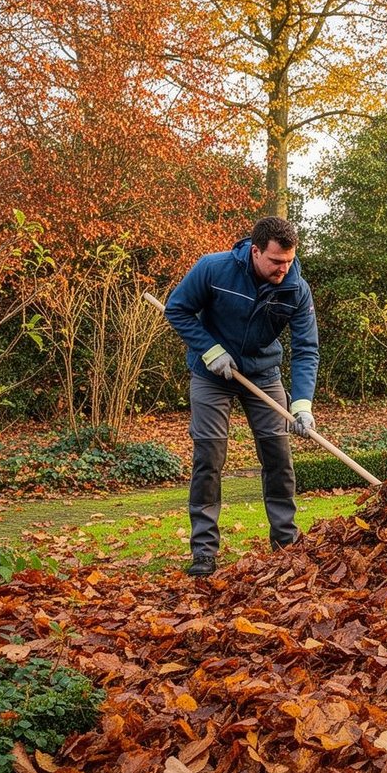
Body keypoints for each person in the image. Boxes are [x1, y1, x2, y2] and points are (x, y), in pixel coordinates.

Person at [163, 216, 319, 578]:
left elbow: (306, 348)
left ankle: (286, 543)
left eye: (289, 261)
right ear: (255, 251)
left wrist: (301, 404)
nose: (284, 268)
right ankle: (204, 552)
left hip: (263, 374)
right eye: (276, 261)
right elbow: (177, 309)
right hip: (211, 373)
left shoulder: (295, 289)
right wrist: (210, 350)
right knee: (209, 454)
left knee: (278, 453)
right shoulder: (213, 269)